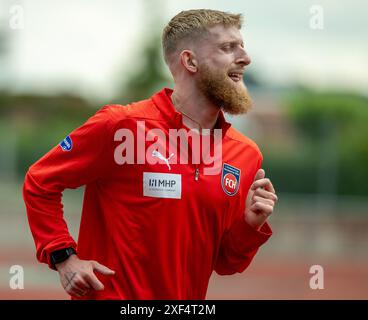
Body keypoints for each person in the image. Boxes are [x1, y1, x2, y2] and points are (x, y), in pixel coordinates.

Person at [22, 9, 278, 300]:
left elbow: (226, 262)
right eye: (227, 47)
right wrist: (63, 256)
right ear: (189, 61)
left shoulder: (245, 155)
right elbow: (40, 181)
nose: (245, 57)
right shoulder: (120, 126)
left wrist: (250, 224)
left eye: (242, 46)